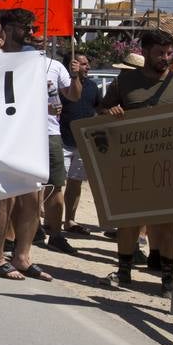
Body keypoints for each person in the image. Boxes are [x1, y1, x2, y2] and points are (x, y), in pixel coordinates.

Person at [0, 8, 83, 282]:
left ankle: (23, 256)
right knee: (3, 198)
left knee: (32, 197)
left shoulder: (38, 60)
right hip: (2, 136)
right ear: (6, 28)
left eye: (30, 27)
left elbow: (68, 96)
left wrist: (75, 75)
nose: (28, 32)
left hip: (35, 135)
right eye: (22, 27)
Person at [100, 29, 173, 296]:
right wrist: (110, 112)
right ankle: (124, 271)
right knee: (129, 220)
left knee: (169, 221)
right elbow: (100, 112)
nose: (165, 58)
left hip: (169, 166)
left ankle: (168, 279)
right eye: (159, 53)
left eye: (169, 53)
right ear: (144, 51)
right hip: (131, 164)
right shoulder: (124, 82)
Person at [59, 52, 101, 234]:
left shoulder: (93, 87)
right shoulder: (63, 86)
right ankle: (48, 222)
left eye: (87, 63)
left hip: (83, 143)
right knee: (55, 184)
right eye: (83, 64)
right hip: (63, 140)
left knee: (75, 184)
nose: (87, 67)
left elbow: (99, 109)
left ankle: (70, 220)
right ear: (72, 66)